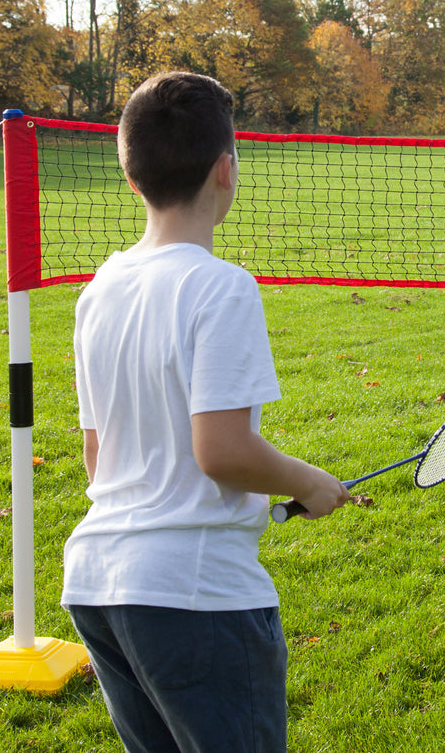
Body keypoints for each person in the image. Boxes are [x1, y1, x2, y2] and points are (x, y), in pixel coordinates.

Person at [61, 71, 351, 753]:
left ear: (131, 176)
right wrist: (308, 480)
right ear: (226, 170)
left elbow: (96, 452)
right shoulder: (221, 287)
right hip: (193, 596)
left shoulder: (98, 289)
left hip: (100, 584)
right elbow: (220, 450)